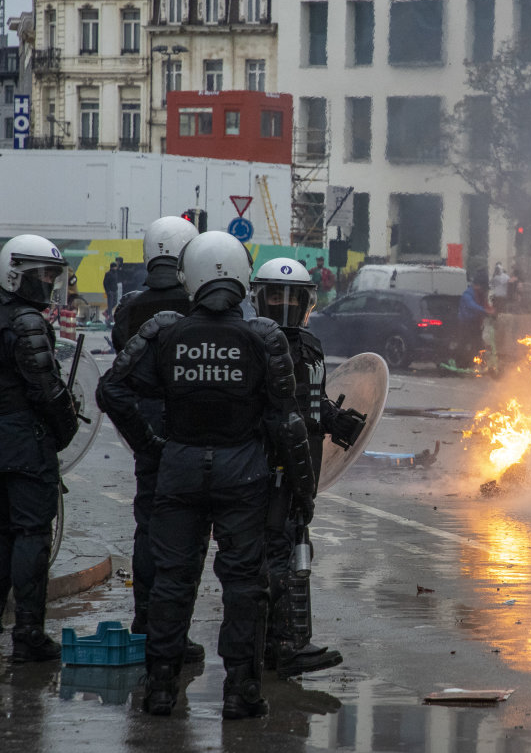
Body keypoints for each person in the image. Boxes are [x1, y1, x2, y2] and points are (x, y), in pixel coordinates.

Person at [97, 232, 316, 719]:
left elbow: (112, 389)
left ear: (189, 276)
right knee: (243, 585)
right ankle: (241, 693)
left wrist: (151, 448)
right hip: (244, 475)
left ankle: (160, 691)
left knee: (173, 583)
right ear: (242, 277)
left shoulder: (163, 330)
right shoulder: (265, 337)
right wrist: (303, 491)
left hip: (179, 470)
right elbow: (288, 421)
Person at [0, 235, 78, 662]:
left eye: (51, 275)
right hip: (25, 441)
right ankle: (28, 632)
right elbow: (46, 389)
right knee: (31, 535)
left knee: (4, 537)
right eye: (42, 275)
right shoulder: (26, 322)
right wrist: (63, 428)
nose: (48, 283)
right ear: (16, 273)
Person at [250, 258, 366, 679]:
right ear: (259, 298)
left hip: (305, 467)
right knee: (276, 556)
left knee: (296, 549)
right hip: (270, 468)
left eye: (292, 296)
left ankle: (285, 642)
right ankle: (282, 646)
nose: (284, 303)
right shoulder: (252, 343)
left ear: (306, 301)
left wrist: (338, 422)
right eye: (275, 294)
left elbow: (309, 406)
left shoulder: (312, 346)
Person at [109, 215, 204, 663]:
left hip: (143, 426)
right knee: (188, 534)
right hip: (191, 427)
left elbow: (121, 364)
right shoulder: (199, 306)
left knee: (148, 527)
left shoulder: (129, 308)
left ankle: (145, 621)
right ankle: (174, 634)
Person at [456, 270, 494, 368]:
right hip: (466, 324)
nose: (484, 290)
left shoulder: (481, 295)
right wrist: (485, 311)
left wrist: (492, 310)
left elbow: (486, 305)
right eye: (483, 287)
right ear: (477, 286)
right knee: (464, 344)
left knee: (478, 344)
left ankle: (477, 363)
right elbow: (472, 306)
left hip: (476, 324)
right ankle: (461, 364)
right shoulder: (468, 294)